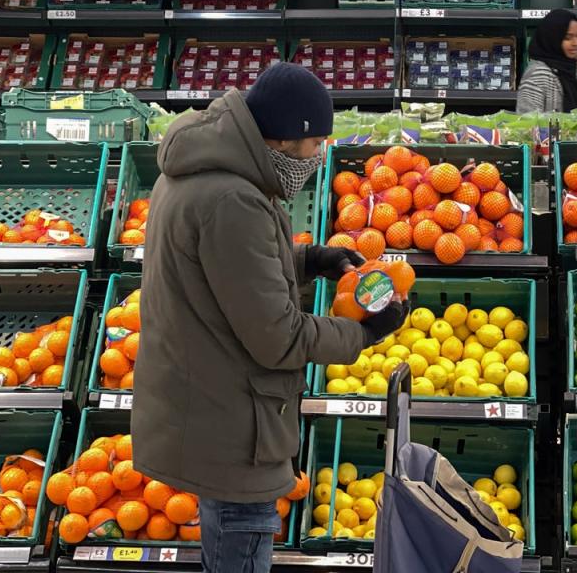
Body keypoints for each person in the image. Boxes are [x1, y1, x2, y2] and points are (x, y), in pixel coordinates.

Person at [131, 62, 408, 573]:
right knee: (238, 546)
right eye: (316, 143)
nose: (319, 155)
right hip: (233, 420)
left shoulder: (202, 173)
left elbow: (221, 274)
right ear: (283, 141)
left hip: (207, 401)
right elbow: (277, 338)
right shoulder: (233, 199)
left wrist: (308, 262)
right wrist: (364, 332)